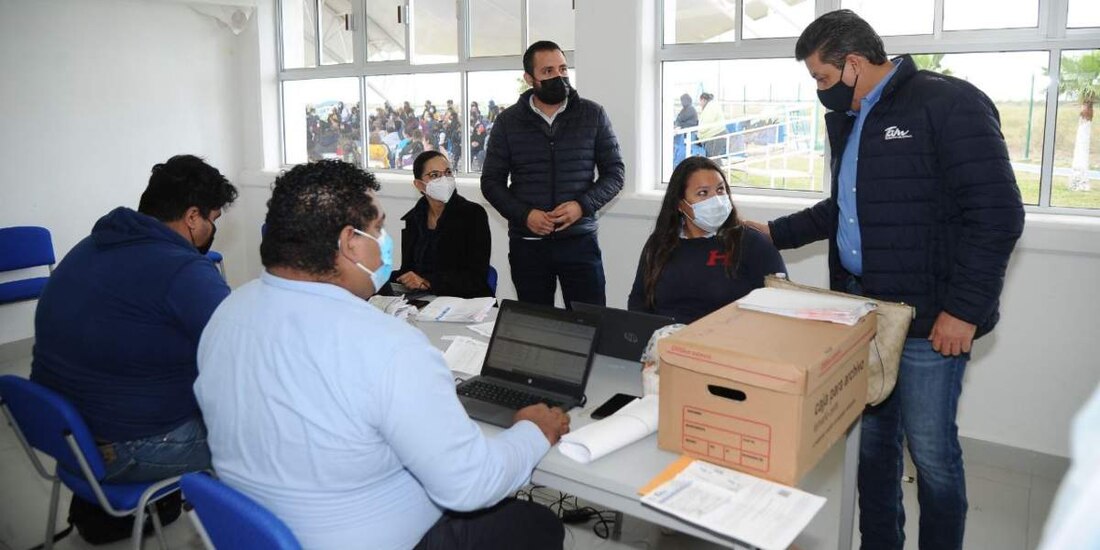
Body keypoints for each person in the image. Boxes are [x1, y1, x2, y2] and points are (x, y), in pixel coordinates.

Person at [746, 10, 1025, 550]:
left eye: (823, 78)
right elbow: (847, 208)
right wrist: (773, 233)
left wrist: (964, 310)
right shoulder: (854, 117)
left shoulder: (948, 104)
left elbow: (997, 215)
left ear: (853, 64)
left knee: (932, 455)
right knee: (872, 450)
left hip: (928, 322)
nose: (821, 91)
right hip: (860, 316)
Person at [194, 160, 568, 550]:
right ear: (349, 243)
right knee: (536, 524)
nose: (384, 241)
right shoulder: (390, 346)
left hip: (263, 530)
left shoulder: (229, 312)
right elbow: (471, 485)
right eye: (378, 229)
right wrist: (533, 430)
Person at [31, 154, 237, 484]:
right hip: (127, 447)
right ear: (192, 217)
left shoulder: (90, 246)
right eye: (213, 219)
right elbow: (241, 350)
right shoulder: (184, 270)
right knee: (263, 437)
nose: (212, 229)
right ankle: (254, 530)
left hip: (61, 434)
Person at [480, 40, 625, 307]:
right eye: (547, 71)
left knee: (589, 324)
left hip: (579, 240)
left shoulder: (592, 114)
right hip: (528, 243)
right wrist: (526, 215)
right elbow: (491, 182)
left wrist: (582, 206)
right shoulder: (508, 122)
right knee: (537, 326)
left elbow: (615, 173)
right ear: (529, 78)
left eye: (562, 69)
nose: (558, 77)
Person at [628, 156, 785, 324]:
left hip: (727, 342)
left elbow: (778, 305)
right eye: (703, 193)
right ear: (680, 205)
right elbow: (639, 301)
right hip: (664, 343)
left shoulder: (752, 243)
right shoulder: (660, 244)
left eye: (720, 190)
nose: (715, 200)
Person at [389, 151, 493, 298]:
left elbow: (476, 278)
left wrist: (428, 282)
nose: (444, 179)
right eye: (434, 175)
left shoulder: (473, 215)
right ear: (419, 185)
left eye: (448, 172)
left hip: (466, 302)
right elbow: (408, 270)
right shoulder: (413, 219)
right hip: (424, 300)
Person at [696, 92, 726, 159]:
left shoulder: (710, 108)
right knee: (713, 158)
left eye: (700, 101)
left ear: (703, 100)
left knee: (713, 159)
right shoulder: (711, 106)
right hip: (715, 135)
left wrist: (699, 132)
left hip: (715, 135)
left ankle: (718, 169)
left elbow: (705, 125)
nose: (700, 104)